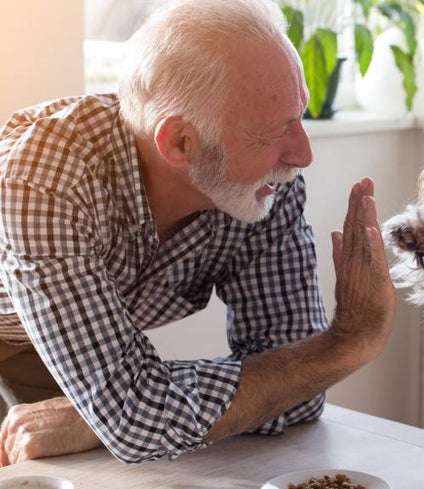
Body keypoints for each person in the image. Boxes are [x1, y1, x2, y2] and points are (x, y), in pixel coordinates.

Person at [0, 0, 395, 466]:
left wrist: (117, 410)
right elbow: (137, 420)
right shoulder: (44, 178)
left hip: (66, 338)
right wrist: (347, 343)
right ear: (179, 143)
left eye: (300, 116)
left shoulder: (265, 184)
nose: (302, 154)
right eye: (272, 133)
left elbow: (300, 393)